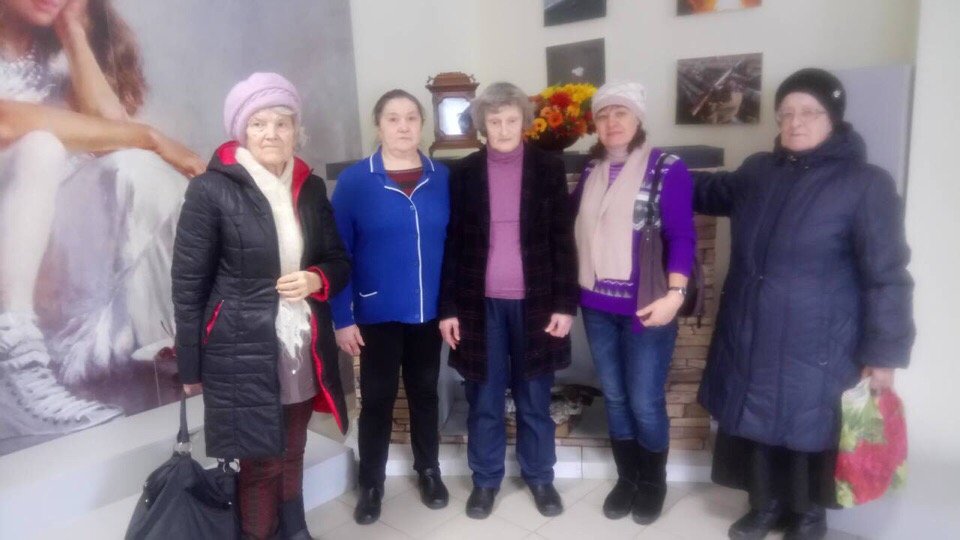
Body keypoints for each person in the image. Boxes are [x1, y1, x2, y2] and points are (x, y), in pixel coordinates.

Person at [694, 68, 914, 540]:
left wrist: (884, 354)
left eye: (809, 112)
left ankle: (809, 515)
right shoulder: (757, 171)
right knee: (756, 421)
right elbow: (709, 192)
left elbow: (887, 276)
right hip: (751, 330)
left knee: (808, 428)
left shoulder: (866, 183)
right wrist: (655, 172)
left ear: (833, 118)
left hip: (820, 340)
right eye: (787, 113)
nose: (795, 122)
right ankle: (763, 506)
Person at [0, 0, 204, 454]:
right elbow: (6, 122)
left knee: (134, 169)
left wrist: (72, 30)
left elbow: (116, 138)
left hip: (57, 255)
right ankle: (14, 358)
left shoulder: (54, 55)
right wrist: (150, 135)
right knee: (39, 147)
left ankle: (167, 354)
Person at [172, 72, 351, 540]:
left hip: (300, 342)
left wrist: (316, 278)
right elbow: (188, 286)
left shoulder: (310, 188)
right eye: (258, 123)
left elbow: (338, 259)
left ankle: (294, 529)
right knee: (261, 461)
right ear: (241, 130)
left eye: (281, 123)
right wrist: (190, 365)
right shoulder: (210, 190)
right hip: (239, 349)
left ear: (295, 131)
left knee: (293, 450)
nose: (271, 133)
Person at [439, 81, 578, 520]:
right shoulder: (463, 172)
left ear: (524, 122)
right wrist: (448, 308)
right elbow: (453, 243)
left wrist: (565, 304)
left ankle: (540, 477)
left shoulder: (548, 168)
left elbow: (563, 240)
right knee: (484, 399)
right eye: (494, 121)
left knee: (535, 397)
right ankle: (485, 480)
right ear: (483, 125)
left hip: (537, 303)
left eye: (511, 120)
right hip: (478, 305)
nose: (502, 128)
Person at [572, 81, 696, 525]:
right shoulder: (591, 171)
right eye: (603, 115)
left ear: (638, 119)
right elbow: (572, 227)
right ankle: (627, 478)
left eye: (621, 113)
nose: (612, 122)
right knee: (615, 397)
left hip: (647, 308)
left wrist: (675, 296)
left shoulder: (667, 168)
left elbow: (682, 236)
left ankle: (653, 483)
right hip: (596, 305)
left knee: (644, 401)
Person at [331, 89, 451, 524]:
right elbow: (337, 254)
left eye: (411, 118)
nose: (403, 126)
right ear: (378, 126)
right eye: (393, 118)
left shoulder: (443, 177)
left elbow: (456, 246)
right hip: (375, 313)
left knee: (425, 393)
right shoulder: (355, 182)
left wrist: (453, 307)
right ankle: (372, 483)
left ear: (422, 124)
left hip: (429, 312)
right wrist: (342, 317)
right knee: (378, 399)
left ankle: (429, 470)